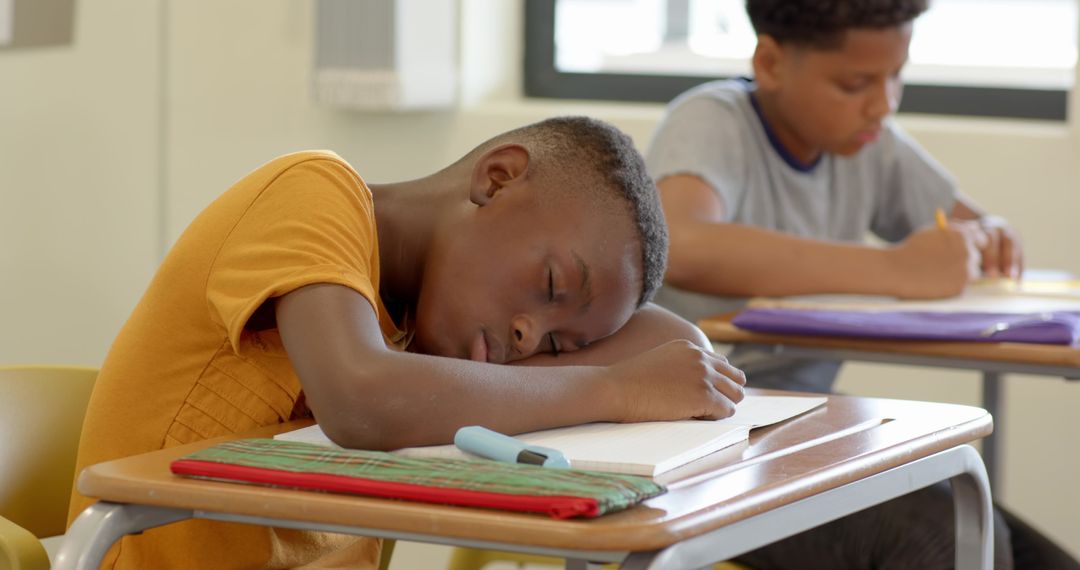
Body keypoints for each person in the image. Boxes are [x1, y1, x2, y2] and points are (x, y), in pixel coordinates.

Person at [66, 117, 747, 569]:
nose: (527, 337)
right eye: (549, 283)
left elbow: (669, 343)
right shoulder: (311, 193)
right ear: (498, 177)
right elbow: (362, 400)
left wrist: (623, 361)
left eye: (561, 344)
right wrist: (614, 388)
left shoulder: (438, 352)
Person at [646, 1, 1079, 568]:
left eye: (895, 76)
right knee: (952, 539)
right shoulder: (713, 119)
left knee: (1025, 550)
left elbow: (969, 224)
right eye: (855, 83)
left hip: (807, 428)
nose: (884, 103)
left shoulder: (869, 142)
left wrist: (989, 234)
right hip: (705, 446)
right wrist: (896, 269)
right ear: (771, 62)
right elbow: (684, 242)